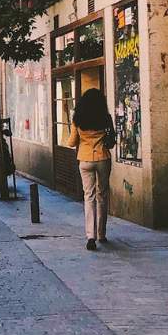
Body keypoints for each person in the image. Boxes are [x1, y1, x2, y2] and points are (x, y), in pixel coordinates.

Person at [65, 88, 114, 251]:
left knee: (89, 196)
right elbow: (111, 140)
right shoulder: (106, 118)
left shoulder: (78, 118)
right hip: (103, 158)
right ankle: (101, 234)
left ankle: (90, 236)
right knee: (102, 195)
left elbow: (72, 142)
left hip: (85, 159)